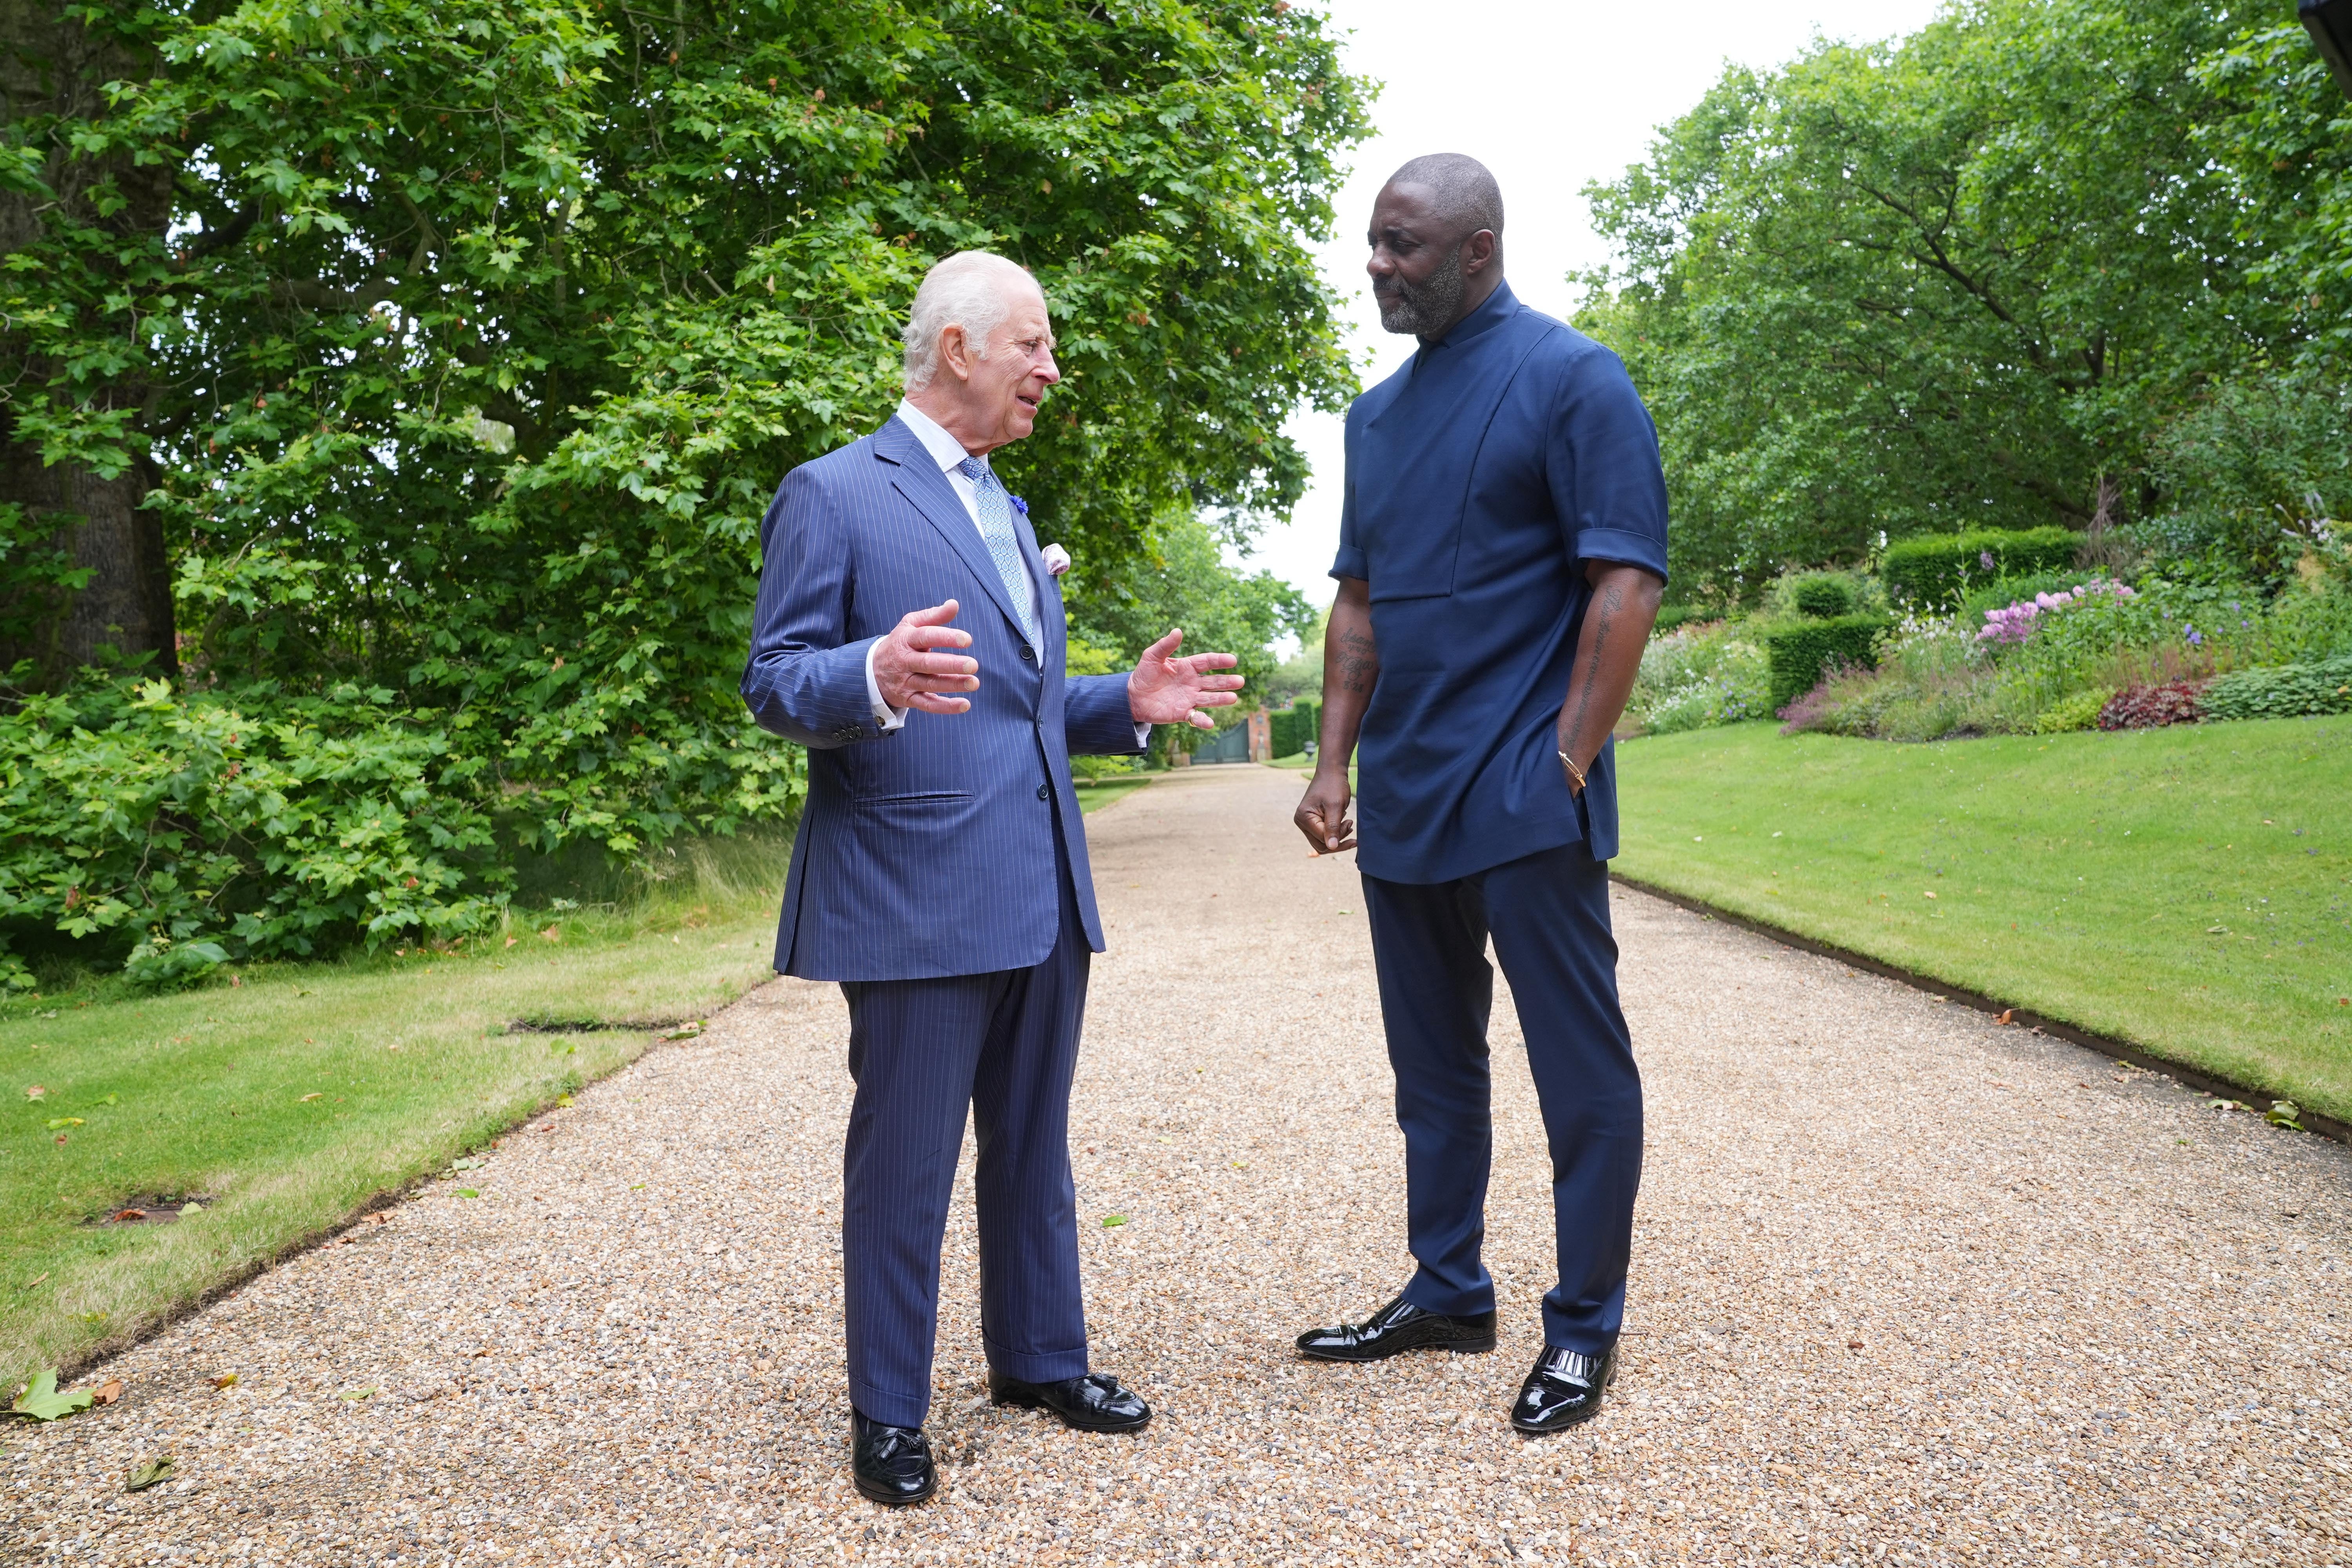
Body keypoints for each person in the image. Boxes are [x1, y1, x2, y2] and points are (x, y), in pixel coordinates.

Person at [741, 251, 1244, 1504]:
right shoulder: (832, 493)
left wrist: (1118, 703)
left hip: (1043, 887)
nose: (1050, 369)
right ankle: (890, 1415)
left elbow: (1012, 707)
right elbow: (775, 679)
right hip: (911, 894)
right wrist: (868, 672)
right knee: (905, 1162)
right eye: (1034, 344)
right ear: (958, 349)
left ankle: (1040, 1361)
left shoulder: (1007, 508)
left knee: (1035, 1147)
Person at [1290, 155, 1668, 1436]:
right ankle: (1450, 1290)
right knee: (1433, 1072)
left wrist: (1564, 762)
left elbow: (1625, 583)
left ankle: (1584, 1329)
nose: (1378, 266)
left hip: (1523, 791)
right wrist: (1334, 760)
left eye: (1401, 245)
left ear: (1477, 249)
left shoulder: (1574, 379)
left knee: (1578, 1072)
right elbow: (1360, 602)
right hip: (1406, 798)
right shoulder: (1372, 420)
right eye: (1373, 244)